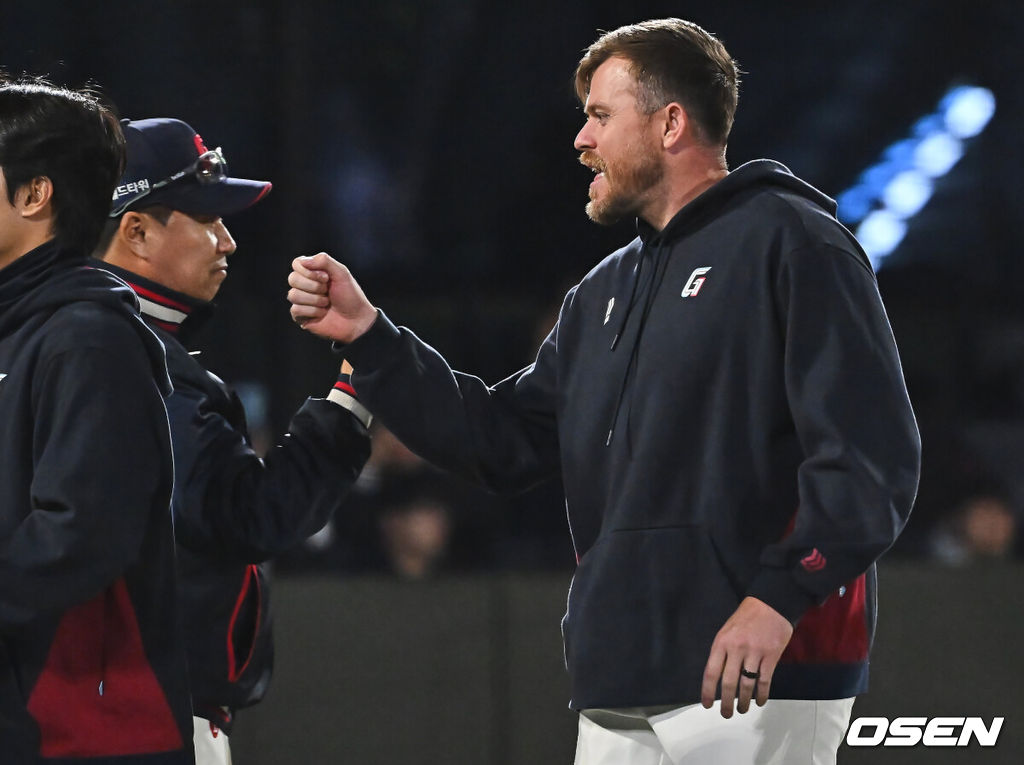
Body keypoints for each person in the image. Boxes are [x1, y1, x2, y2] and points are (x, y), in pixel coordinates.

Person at [287, 17, 921, 765]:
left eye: (598, 115)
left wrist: (780, 597)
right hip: (621, 678)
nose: (581, 140)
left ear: (671, 123)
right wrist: (373, 338)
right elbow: (502, 437)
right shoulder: (601, 293)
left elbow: (870, 454)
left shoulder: (794, 243)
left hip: (757, 669)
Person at [95, 117, 372, 764]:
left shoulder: (74, 337)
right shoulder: (130, 357)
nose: (228, 241)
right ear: (136, 230)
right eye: (206, 220)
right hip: (148, 714)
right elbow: (250, 515)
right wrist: (356, 394)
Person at [0, 79, 194, 762]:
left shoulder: (88, 337)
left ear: (34, 194)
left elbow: (82, 534)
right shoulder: (22, 331)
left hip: (83, 730)